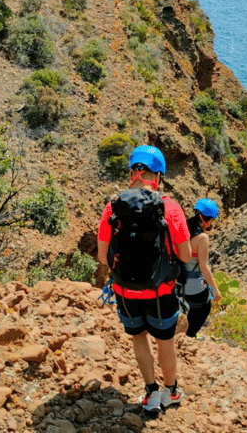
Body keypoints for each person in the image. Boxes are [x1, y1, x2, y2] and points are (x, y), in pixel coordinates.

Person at [96, 145, 191, 413]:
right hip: (160, 292)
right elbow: (184, 256)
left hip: (125, 291)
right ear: (158, 177)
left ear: (131, 174)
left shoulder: (112, 207)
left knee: (139, 338)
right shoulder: (169, 208)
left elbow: (103, 257)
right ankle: (170, 392)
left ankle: (150, 394)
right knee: (165, 341)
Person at [178, 198, 222, 338]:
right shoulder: (202, 238)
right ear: (207, 220)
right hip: (193, 285)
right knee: (204, 309)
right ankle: (189, 336)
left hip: (177, 280)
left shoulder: (183, 227)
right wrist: (215, 290)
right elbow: (203, 267)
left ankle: (181, 332)